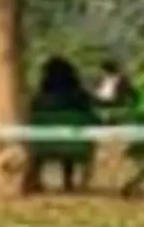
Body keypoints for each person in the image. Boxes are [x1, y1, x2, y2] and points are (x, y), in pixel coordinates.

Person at [30, 54, 99, 191]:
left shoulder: (39, 99)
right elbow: (92, 118)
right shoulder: (79, 96)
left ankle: (36, 177)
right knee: (71, 140)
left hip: (42, 145)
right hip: (76, 146)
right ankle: (68, 181)